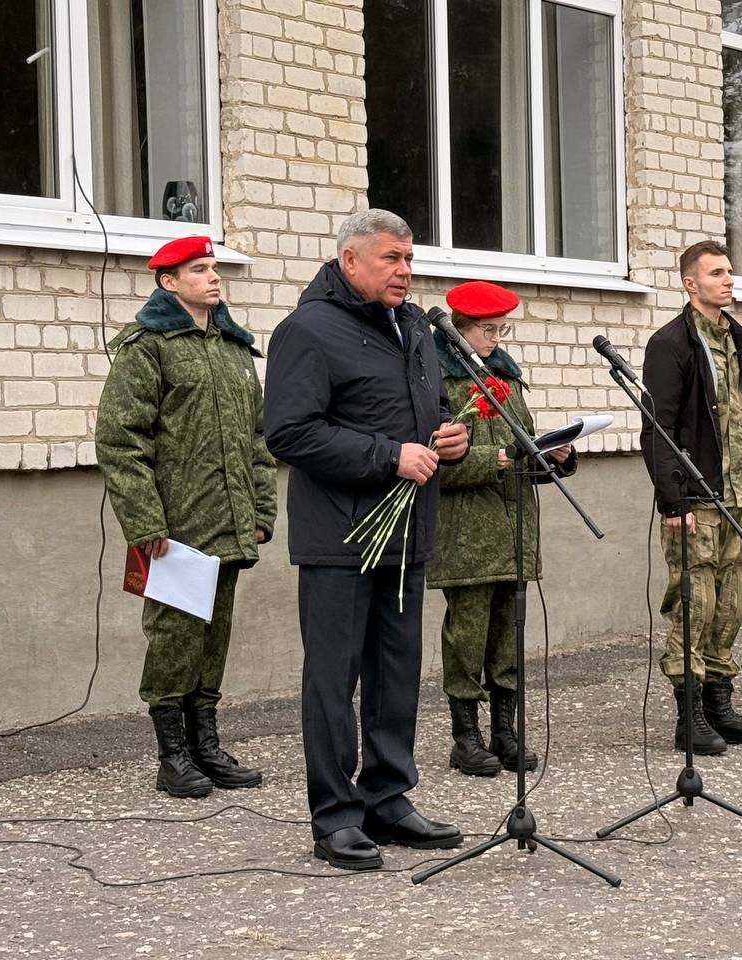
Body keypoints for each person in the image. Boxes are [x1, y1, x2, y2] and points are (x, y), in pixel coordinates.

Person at [263, 209, 470, 871]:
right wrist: (388, 456)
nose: (405, 272)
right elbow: (289, 434)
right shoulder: (306, 330)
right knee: (334, 679)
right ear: (350, 260)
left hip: (407, 531)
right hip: (340, 536)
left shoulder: (412, 327)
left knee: (397, 674)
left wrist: (448, 441)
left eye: (409, 260)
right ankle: (335, 817)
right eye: (391, 259)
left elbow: (419, 417)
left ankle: (387, 799)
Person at [95, 236, 277, 800]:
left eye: (214, 267)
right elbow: (121, 441)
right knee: (174, 636)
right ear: (168, 282)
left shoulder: (230, 347)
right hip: (173, 528)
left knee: (213, 634)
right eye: (199, 269)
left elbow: (256, 438)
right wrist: (147, 523)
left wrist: (261, 511)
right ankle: (172, 755)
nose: (213, 277)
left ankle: (206, 744)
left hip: (228, 519)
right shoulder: (148, 347)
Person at [426, 281, 576, 776]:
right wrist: (503, 457)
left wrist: (553, 455)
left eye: (501, 329)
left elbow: (521, 450)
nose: (496, 338)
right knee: (466, 638)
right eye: (488, 330)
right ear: (460, 330)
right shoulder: (438, 382)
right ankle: (465, 737)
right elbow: (437, 464)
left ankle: (505, 732)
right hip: (466, 534)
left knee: (509, 638)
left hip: (514, 531)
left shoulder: (503, 379)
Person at [640, 240, 742, 755]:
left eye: (730, 271)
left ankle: (721, 707)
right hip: (696, 499)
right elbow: (658, 428)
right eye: (716, 273)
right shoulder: (672, 343)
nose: (728, 279)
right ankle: (689, 715)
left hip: (740, 496)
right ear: (689, 283)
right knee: (695, 603)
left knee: (732, 603)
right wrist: (673, 501)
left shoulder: (739, 341)